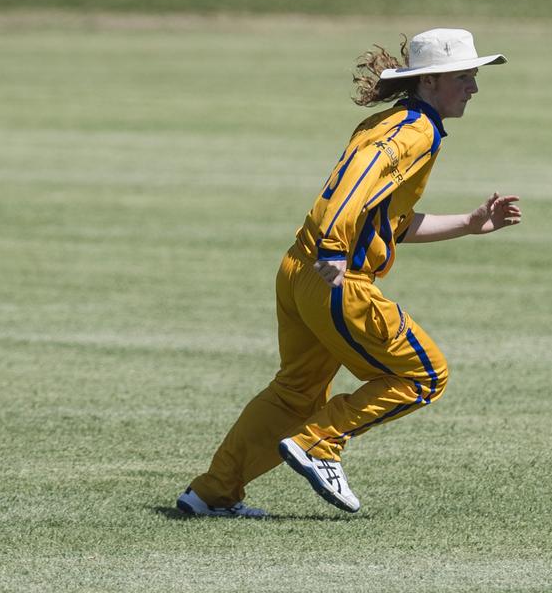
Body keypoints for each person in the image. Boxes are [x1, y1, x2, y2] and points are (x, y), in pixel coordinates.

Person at [176, 28, 521, 517]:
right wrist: (336, 248)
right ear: (429, 83)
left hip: (301, 269)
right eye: (464, 77)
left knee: (295, 392)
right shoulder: (414, 131)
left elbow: (387, 221)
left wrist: (468, 223)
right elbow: (356, 183)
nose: (474, 87)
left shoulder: (392, 121)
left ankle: (213, 493)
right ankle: (320, 442)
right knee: (424, 375)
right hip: (336, 276)